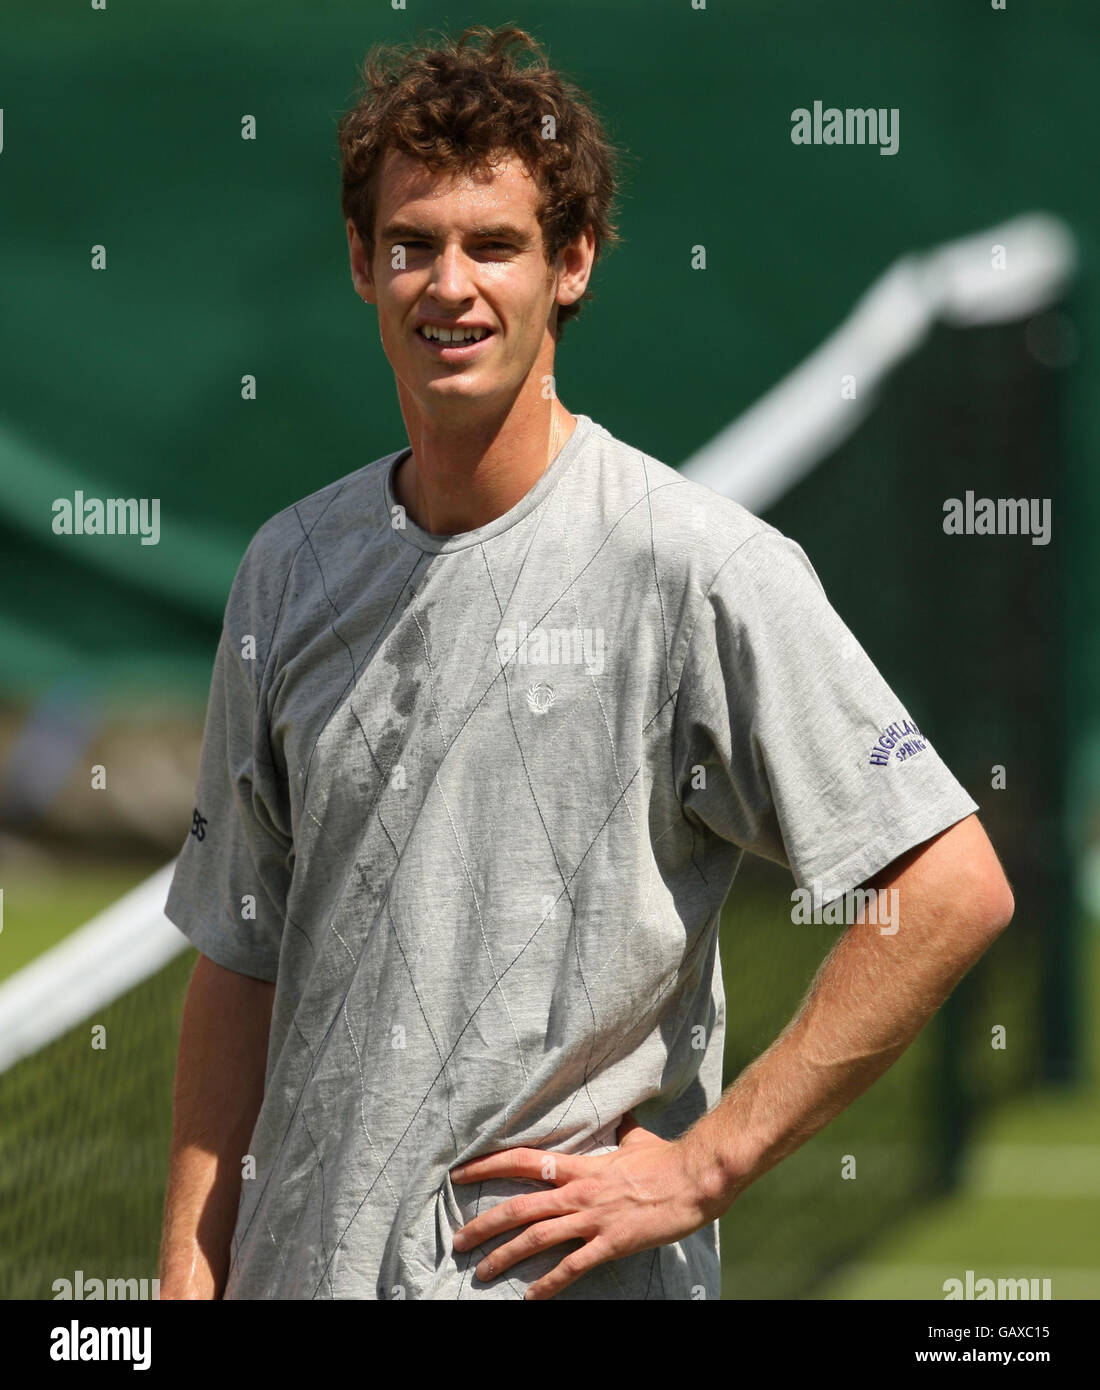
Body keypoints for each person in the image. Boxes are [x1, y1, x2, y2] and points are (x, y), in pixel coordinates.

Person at [158, 24, 1013, 1301]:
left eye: (492, 245)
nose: (449, 285)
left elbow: (948, 887)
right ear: (360, 263)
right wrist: (185, 1265)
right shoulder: (284, 571)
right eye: (412, 245)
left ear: (569, 265)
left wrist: (699, 1169)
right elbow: (238, 951)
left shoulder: (699, 567)